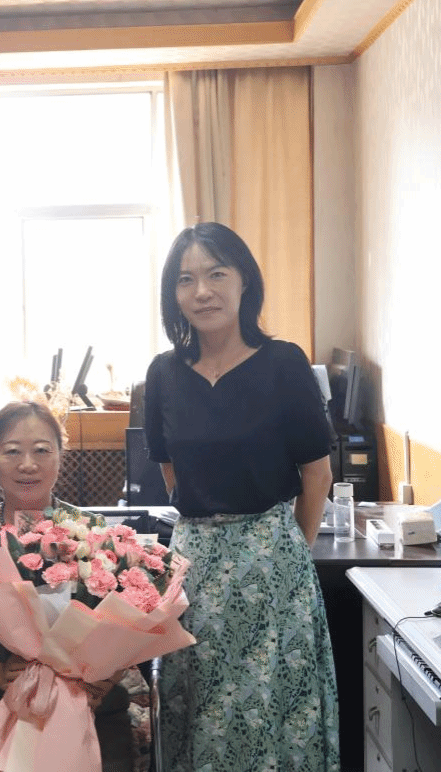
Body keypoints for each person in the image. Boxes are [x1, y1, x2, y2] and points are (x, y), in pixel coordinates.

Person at [145, 222, 339, 772]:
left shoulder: (284, 363)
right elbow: (170, 469)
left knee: (272, 713)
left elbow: (316, 474)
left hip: (272, 565)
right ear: (173, 293)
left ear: (244, 281)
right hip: (194, 569)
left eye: (216, 274)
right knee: (196, 709)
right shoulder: (163, 373)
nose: (202, 291)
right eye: (186, 280)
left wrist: (288, 551)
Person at [0, 400, 130, 772]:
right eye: (12, 451)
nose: (27, 464)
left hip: (92, 710)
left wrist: (107, 677)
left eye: (41, 450)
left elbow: (129, 630)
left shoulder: (95, 532)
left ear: (60, 457)